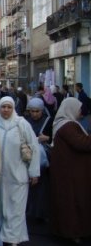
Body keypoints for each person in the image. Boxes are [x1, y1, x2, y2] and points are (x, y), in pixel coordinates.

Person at [0, 96, 40, 246]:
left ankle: (12, 238)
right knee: (0, 207)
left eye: (9, 107)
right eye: (3, 107)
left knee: (16, 208)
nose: (6, 110)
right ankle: (0, 235)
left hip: (18, 175)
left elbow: (34, 148)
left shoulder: (22, 125)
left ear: (13, 108)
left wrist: (33, 172)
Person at [49, 97, 91, 244]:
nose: (81, 111)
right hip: (71, 175)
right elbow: (82, 143)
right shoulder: (68, 126)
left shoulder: (62, 124)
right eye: (79, 108)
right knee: (73, 203)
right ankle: (74, 232)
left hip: (67, 173)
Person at [24, 98, 52, 221]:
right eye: (32, 111)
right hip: (28, 158)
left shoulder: (48, 121)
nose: (34, 114)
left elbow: (55, 137)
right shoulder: (25, 122)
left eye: (37, 111)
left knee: (41, 187)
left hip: (42, 160)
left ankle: (40, 213)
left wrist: (48, 138)